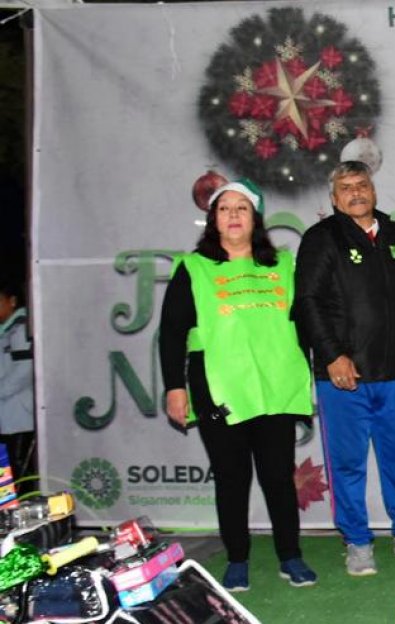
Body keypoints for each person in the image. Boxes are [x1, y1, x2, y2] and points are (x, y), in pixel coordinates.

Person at [159, 180, 316, 591]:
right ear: (213, 219)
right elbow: (172, 332)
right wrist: (175, 387)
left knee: (279, 476)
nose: (232, 215)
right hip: (218, 389)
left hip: (275, 389)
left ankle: (290, 555)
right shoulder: (194, 267)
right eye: (224, 208)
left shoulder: (281, 265)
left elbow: (303, 324)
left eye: (241, 208)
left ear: (255, 218)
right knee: (231, 477)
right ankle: (237, 558)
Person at [294, 161, 395, 576]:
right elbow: (308, 302)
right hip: (344, 378)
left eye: (362, 184)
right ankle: (356, 540)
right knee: (347, 463)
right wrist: (332, 355)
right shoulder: (322, 238)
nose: (356, 192)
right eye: (346, 187)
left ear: (373, 190)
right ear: (334, 198)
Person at [0, 276, 33, 495]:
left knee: (19, 476)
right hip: (7, 420)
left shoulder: (22, 329)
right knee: (5, 478)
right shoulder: (6, 331)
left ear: (12, 301)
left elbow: (24, 372)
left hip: (20, 420)